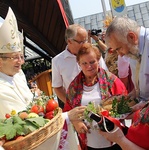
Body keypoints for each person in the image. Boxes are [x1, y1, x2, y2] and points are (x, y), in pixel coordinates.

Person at [0, 7, 87, 150]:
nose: (21, 62)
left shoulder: (19, 75)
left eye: (21, 56)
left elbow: (34, 110)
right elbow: (24, 124)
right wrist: (66, 117)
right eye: (15, 57)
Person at [63, 43, 127, 150]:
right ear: (79, 63)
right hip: (90, 143)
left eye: (92, 62)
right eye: (84, 63)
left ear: (98, 60)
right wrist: (76, 122)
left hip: (114, 141)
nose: (89, 66)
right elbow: (69, 111)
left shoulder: (112, 80)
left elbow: (126, 105)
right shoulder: (74, 87)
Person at [52, 24, 108, 106]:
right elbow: (57, 87)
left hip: (101, 104)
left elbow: (106, 76)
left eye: (85, 40)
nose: (85, 44)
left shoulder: (94, 53)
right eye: (81, 42)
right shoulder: (57, 61)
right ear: (69, 41)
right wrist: (71, 104)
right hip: (79, 111)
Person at [105, 16, 149, 111]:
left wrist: (143, 106)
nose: (120, 55)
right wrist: (133, 94)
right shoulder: (134, 49)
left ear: (131, 37)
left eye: (119, 48)